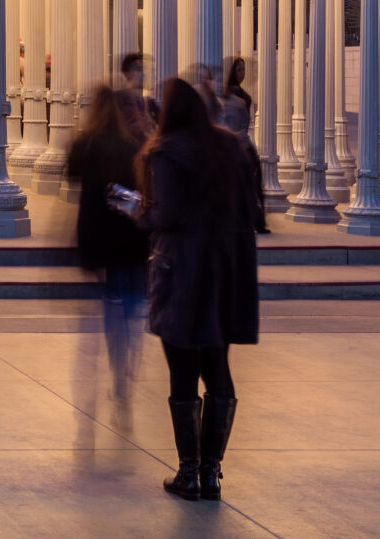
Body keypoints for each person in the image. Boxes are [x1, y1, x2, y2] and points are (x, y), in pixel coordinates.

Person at [140, 75, 258, 502]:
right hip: (223, 273)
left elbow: (165, 215)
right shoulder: (231, 147)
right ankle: (211, 472)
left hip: (182, 274)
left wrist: (138, 211)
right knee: (218, 368)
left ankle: (188, 472)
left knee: (183, 372)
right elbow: (249, 210)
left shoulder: (165, 152)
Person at [66, 85, 152, 397]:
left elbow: (72, 176)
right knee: (132, 296)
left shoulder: (85, 143)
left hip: (98, 228)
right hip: (129, 228)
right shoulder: (132, 143)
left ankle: (118, 358)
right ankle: (129, 352)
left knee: (111, 297)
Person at [218, 59, 265, 233]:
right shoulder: (228, 97)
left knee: (253, 181)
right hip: (233, 144)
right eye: (239, 69)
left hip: (242, 141)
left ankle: (256, 220)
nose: (243, 73)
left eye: (244, 69)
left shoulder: (244, 96)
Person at [121, 53, 160, 126]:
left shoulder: (150, 104)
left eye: (152, 70)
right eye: (139, 69)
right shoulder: (118, 102)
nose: (144, 74)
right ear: (128, 73)